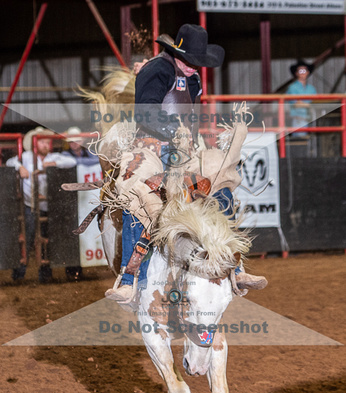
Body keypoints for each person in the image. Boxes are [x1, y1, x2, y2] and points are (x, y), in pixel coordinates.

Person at [109, 24, 267, 302]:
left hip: (187, 151)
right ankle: (130, 277)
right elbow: (146, 113)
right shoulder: (157, 70)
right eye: (191, 61)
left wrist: (195, 138)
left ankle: (235, 268)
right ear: (178, 53)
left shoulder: (192, 78)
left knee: (221, 185)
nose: (196, 67)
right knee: (135, 193)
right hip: (151, 148)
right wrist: (175, 130)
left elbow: (192, 116)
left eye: (199, 62)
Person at [6, 126, 76, 282]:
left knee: (47, 238)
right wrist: (20, 167)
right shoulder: (25, 157)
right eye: (42, 142)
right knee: (29, 237)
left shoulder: (54, 158)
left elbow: (72, 161)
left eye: (47, 142)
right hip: (29, 204)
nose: (46, 145)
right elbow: (11, 161)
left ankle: (45, 273)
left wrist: (51, 165)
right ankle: (19, 273)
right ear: (35, 143)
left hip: (46, 205)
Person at [62, 126, 100, 280]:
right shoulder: (65, 154)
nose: (74, 143)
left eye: (77, 140)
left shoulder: (88, 154)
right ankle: (72, 270)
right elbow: (65, 161)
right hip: (71, 200)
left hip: (85, 200)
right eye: (71, 140)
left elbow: (96, 159)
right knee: (73, 232)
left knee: (85, 231)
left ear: (82, 140)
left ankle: (79, 268)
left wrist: (77, 162)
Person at [286, 59, 317, 137]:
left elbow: (316, 102)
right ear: (296, 73)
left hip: (312, 119)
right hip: (299, 119)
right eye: (300, 71)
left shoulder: (311, 89)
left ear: (308, 72)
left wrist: (305, 104)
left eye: (304, 70)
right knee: (301, 141)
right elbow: (296, 103)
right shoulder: (292, 88)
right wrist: (309, 106)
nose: (303, 73)